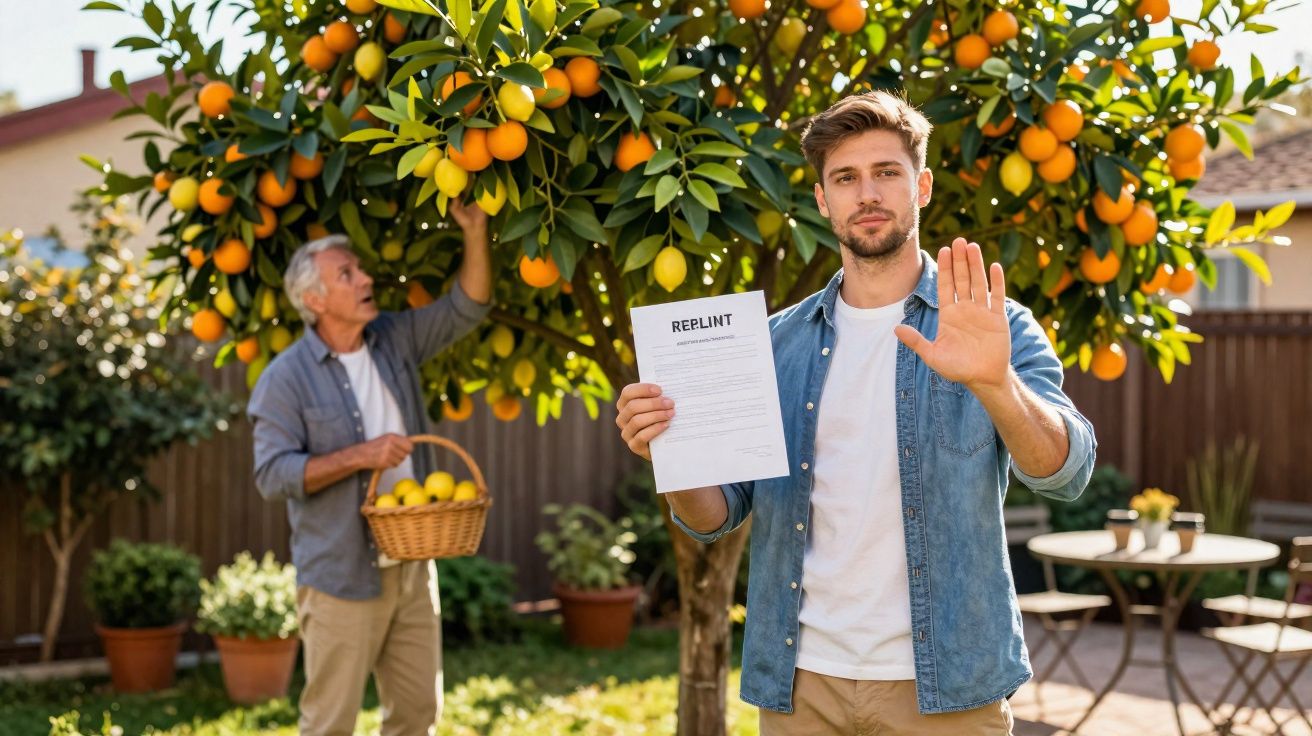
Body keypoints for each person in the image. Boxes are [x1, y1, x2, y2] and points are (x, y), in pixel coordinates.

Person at [614, 90, 1097, 734]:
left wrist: (996, 384)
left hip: (949, 688)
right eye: (845, 178)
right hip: (801, 687)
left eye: (886, 172)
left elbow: (1066, 473)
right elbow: (715, 517)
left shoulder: (994, 326)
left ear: (922, 186)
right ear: (822, 199)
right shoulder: (774, 344)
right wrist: (670, 452)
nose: (867, 194)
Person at [248, 202, 491, 735]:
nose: (365, 279)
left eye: (359, 269)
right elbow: (272, 475)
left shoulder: (393, 339)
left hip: (412, 564)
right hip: (340, 576)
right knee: (330, 723)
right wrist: (361, 454)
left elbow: (467, 307)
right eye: (347, 274)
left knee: (417, 715)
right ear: (314, 299)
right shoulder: (284, 379)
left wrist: (475, 230)